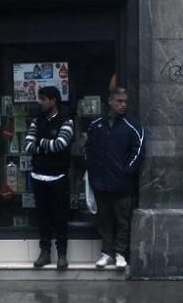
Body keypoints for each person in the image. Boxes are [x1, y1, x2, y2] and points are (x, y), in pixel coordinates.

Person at [84, 87, 144, 270]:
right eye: (119, 101)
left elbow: (138, 151)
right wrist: (92, 170)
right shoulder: (96, 125)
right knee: (104, 219)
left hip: (122, 183)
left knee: (123, 220)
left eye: (125, 101)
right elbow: (88, 149)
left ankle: (120, 253)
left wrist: (126, 171)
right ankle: (107, 252)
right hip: (101, 181)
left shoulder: (132, 125)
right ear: (110, 101)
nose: (123, 104)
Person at [23, 86, 75, 269]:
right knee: (42, 218)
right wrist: (47, 145)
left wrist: (41, 144)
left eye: (43, 99)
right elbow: (28, 145)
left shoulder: (66, 121)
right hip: (38, 177)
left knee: (60, 218)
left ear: (53, 101)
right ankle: (44, 253)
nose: (40, 102)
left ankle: (62, 255)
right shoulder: (37, 121)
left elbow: (61, 144)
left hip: (58, 177)